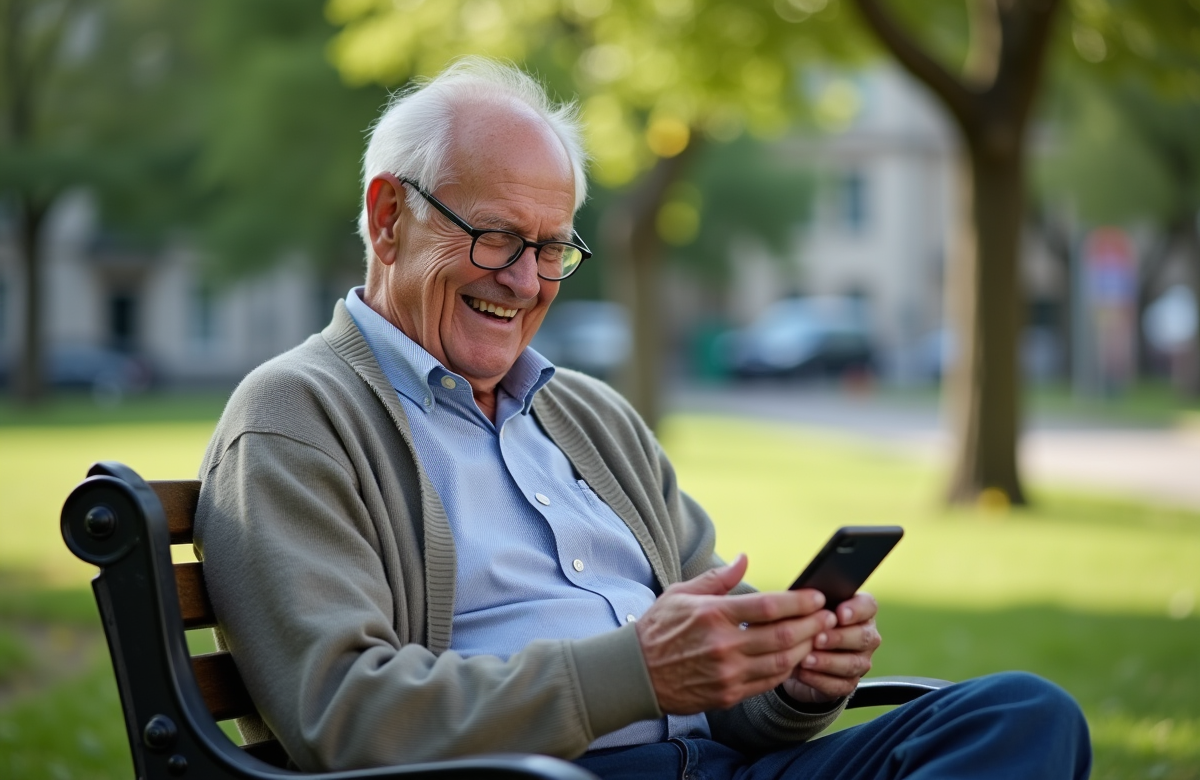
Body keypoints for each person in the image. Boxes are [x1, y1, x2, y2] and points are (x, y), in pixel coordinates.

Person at [195, 58, 1091, 779]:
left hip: (714, 766)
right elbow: (344, 716)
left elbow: (731, 695)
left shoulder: (590, 415)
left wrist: (793, 675)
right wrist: (634, 672)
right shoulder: (295, 416)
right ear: (389, 218)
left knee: (1019, 716)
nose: (524, 281)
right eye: (497, 237)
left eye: (551, 249)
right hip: (545, 774)